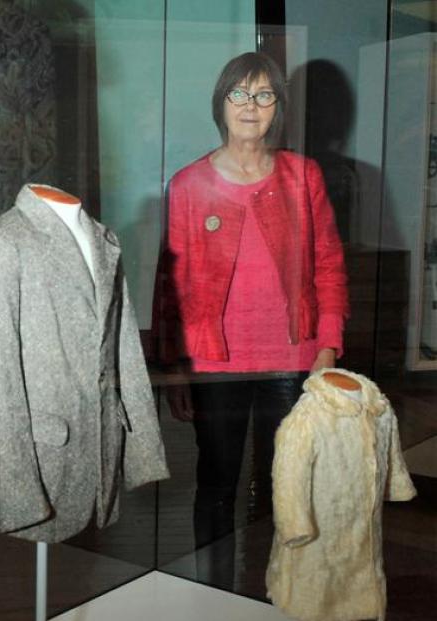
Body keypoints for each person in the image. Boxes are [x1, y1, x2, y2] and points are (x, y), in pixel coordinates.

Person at [157, 52, 349, 588]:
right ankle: (213, 592)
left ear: (278, 109)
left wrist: (327, 346)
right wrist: (174, 366)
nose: (251, 105)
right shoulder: (188, 184)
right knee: (216, 483)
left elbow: (330, 264)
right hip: (216, 361)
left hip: (292, 362)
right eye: (239, 93)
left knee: (284, 485)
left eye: (264, 94)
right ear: (220, 103)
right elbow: (167, 288)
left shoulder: (302, 175)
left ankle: (272, 589)